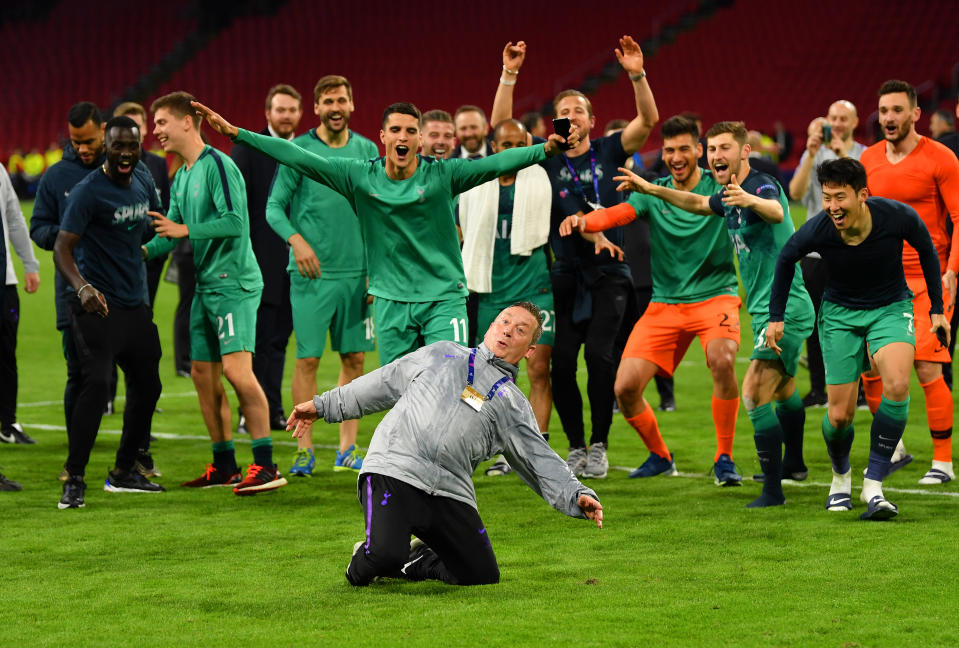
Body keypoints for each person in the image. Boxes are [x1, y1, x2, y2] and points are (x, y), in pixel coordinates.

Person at [193, 97, 580, 367]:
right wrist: (238, 133)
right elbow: (300, 157)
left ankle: (449, 471)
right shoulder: (359, 175)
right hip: (390, 301)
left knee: (449, 383)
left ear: (420, 139)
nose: (403, 137)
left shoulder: (444, 174)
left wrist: (546, 149)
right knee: (399, 393)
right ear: (383, 136)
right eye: (395, 129)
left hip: (443, 298)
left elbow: (499, 162)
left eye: (411, 131)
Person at [285, 302, 603, 586]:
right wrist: (322, 406)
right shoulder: (442, 352)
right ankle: (365, 558)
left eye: (520, 330)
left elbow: (539, 458)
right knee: (383, 558)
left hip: (450, 491)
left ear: (530, 350)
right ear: (492, 326)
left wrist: (577, 496)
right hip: (395, 470)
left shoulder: (514, 405)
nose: (508, 330)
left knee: (481, 575)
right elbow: (380, 384)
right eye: (504, 321)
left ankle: (419, 559)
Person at [611, 121, 815, 505]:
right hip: (769, 307)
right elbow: (698, 204)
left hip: (786, 307)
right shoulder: (725, 195)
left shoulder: (759, 185)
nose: (718, 155)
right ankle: (795, 465)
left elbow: (774, 208)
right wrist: (653, 188)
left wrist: (750, 201)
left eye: (726, 148)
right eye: (713, 149)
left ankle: (772, 492)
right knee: (784, 388)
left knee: (754, 392)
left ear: (744, 152)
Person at [491, 36, 659, 479]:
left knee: (601, 357)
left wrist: (637, 74)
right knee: (562, 363)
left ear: (592, 119)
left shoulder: (609, 150)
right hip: (564, 272)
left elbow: (648, 120)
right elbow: (502, 126)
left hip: (609, 272)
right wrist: (510, 73)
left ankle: (600, 445)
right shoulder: (546, 157)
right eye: (563, 112)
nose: (570, 117)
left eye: (578, 111)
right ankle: (577, 446)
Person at [559, 115, 742, 485]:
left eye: (684, 149)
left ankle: (724, 457)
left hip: (715, 297)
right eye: (670, 149)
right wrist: (583, 222)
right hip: (665, 303)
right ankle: (660, 455)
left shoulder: (718, 188)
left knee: (722, 358)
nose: (676, 156)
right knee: (624, 388)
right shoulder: (650, 191)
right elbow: (617, 214)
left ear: (699, 151)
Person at [768, 158, 949, 519]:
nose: (833, 207)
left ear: (863, 195)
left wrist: (937, 309)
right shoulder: (818, 228)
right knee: (839, 416)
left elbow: (927, 250)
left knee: (898, 384)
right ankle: (840, 477)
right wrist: (776, 318)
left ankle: (874, 485)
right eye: (827, 197)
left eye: (840, 197)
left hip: (890, 308)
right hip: (839, 316)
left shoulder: (896, 216)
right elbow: (786, 258)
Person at [145, 91, 287, 495]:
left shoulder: (218, 165)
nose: (156, 131)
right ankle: (224, 463)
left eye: (161, 123)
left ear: (188, 121)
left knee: (236, 371)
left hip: (234, 285)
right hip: (205, 286)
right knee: (202, 374)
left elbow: (235, 221)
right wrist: (137, 253)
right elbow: (167, 231)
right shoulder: (182, 175)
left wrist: (186, 231)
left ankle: (266, 464)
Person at [265, 75, 377, 476]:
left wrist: (375, 270)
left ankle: (347, 448)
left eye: (341, 100)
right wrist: (297, 240)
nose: (335, 107)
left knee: (355, 358)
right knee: (308, 359)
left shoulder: (366, 150)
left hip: (358, 274)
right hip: (311, 274)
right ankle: (304, 449)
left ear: (351, 104)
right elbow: (274, 207)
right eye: (328, 100)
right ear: (316, 108)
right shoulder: (299, 150)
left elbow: (376, 212)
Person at [53, 116, 166, 509]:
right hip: (96, 305)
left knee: (149, 385)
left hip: (135, 302)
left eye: (131, 147)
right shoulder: (88, 192)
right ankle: (75, 477)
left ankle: (123, 473)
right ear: (106, 146)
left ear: (139, 147)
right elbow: (62, 248)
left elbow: (152, 222)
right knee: (97, 384)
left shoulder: (143, 179)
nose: (124, 154)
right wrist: (82, 287)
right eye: (117, 146)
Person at [859, 80, 959, 485]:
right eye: (884, 111)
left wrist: (952, 271)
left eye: (897, 110)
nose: (889, 118)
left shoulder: (941, 158)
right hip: (878, 281)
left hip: (928, 280)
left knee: (926, 367)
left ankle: (943, 463)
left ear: (916, 114)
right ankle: (893, 448)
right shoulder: (867, 159)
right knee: (872, 367)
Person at [458, 119, 554, 476]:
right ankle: (475, 445)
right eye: (505, 145)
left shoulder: (540, 180)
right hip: (490, 287)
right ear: (493, 148)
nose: (512, 151)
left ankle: (537, 450)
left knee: (539, 368)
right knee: (481, 375)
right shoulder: (475, 183)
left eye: (519, 144)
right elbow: (456, 230)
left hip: (534, 285)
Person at [30, 101, 107, 471]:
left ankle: (137, 456)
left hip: (121, 289)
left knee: (137, 374)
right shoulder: (56, 176)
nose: (83, 148)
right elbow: (38, 226)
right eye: (76, 142)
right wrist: (64, 236)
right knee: (78, 373)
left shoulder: (123, 170)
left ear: (103, 130)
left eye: (89, 140)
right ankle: (74, 461)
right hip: (72, 293)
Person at [231, 84, 303, 433]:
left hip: (298, 265)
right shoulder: (247, 151)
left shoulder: (305, 150)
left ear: (300, 114)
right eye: (280, 110)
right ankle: (251, 411)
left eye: (292, 110)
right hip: (260, 263)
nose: (286, 115)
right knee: (259, 340)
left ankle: (272, 408)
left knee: (279, 340)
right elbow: (238, 213)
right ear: (268, 114)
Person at [788, 100, 866, 408]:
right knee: (814, 325)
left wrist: (840, 153)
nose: (837, 122)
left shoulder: (861, 153)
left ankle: (859, 391)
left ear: (855, 122)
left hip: (853, 251)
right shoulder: (815, 153)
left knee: (856, 323)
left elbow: (866, 188)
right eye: (832, 117)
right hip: (816, 255)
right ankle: (819, 389)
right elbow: (794, 193)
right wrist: (809, 152)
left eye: (843, 118)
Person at [0, 165, 40, 445]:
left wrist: (30, 263)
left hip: (5, 281)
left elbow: (14, 219)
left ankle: (7, 422)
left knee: (6, 354)